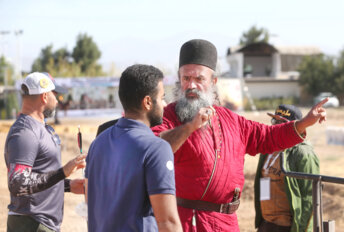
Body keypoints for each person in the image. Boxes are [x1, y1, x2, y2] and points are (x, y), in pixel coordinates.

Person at [151, 39, 328, 231]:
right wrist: (190, 127)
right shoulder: (167, 116)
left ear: (213, 81)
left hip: (226, 223)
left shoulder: (231, 120)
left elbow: (268, 136)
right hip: (188, 221)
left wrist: (304, 123)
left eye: (199, 79)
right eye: (186, 78)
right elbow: (156, 149)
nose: (191, 85)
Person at [85, 64, 182, 232]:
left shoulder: (97, 143)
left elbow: (90, 203)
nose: (165, 105)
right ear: (148, 102)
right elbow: (168, 222)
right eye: (162, 97)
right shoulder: (156, 148)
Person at [4, 72, 86, 232]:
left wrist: (68, 186)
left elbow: (39, 174)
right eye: (55, 95)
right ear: (44, 96)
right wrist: (63, 172)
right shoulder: (25, 132)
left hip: (40, 223)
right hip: (31, 223)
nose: (57, 101)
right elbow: (18, 183)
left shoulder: (39, 127)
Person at [254, 105, 319, 232]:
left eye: (282, 122)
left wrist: (300, 229)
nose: (277, 125)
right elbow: (265, 182)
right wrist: (264, 218)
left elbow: (309, 197)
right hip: (267, 223)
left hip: (288, 227)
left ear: (295, 126)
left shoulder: (303, 152)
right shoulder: (268, 147)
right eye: (275, 121)